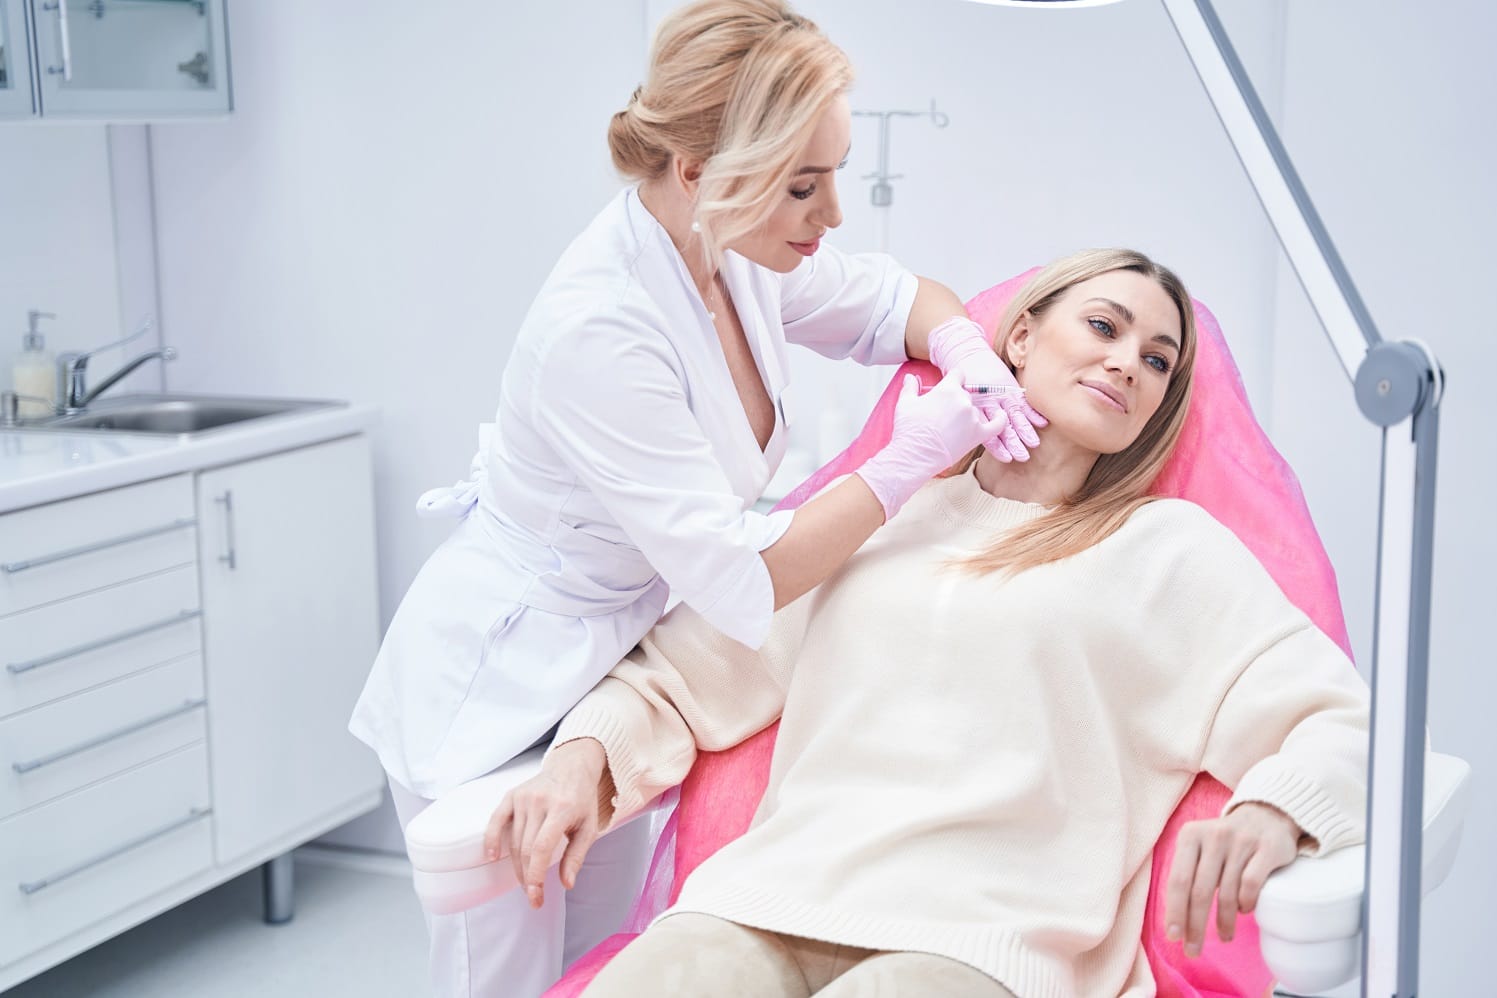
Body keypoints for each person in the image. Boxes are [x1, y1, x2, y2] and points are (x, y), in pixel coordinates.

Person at [348, 2, 1045, 994]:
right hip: (503, 690)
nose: (833, 213)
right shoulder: (602, 329)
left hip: (614, 677)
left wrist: (965, 346)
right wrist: (906, 460)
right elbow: (745, 571)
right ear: (699, 173)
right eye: (805, 185)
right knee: (500, 975)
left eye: (835, 172)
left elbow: (896, 302)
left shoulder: (728, 253)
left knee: (598, 964)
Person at [489, 249, 1372, 998]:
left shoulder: (1171, 553)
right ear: (1019, 338)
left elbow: (1338, 717)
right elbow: (682, 673)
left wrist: (1273, 811)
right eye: (1104, 328)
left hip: (983, 946)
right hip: (764, 900)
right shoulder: (879, 515)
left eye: (1157, 360)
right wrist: (581, 757)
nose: (1127, 364)